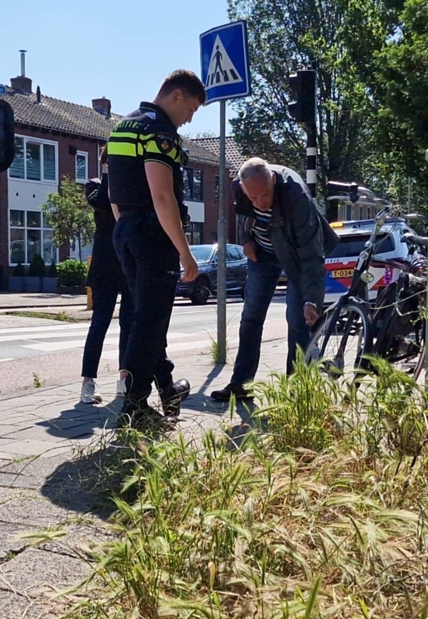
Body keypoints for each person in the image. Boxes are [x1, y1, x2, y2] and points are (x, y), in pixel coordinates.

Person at [108, 69, 206, 429]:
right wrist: (184, 251)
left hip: (126, 229)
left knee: (145, 317)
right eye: (192, 110)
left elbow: (114, 193)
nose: (190, 119)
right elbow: (162, 195)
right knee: (149, 322)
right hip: (153, 234)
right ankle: (134, 408)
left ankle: (167, 388)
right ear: (177, 95)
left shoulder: (123, 126)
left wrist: (127, 228)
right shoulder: (159, 132)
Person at [211, 158, 338, 402]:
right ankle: (241, 385)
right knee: (250, 317)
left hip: (296, 256)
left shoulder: (296, 196)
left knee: (298, 319)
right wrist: (246, 239)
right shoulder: (240, 187)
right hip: (262, 254)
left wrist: (312, 299)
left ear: (273, 180)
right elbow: (242, 215)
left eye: (264, 196)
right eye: (253, 197)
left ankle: (297, 389)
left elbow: (312, 253)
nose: (260, 203)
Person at [80, 145, 133, 404]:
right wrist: (109, 171)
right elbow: (101, 202)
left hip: (129, 263)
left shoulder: (132, 187)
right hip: (104, 266)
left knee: (129, 324)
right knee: (99, 323)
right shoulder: (95, 185)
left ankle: (124, 379)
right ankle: (88, 382)